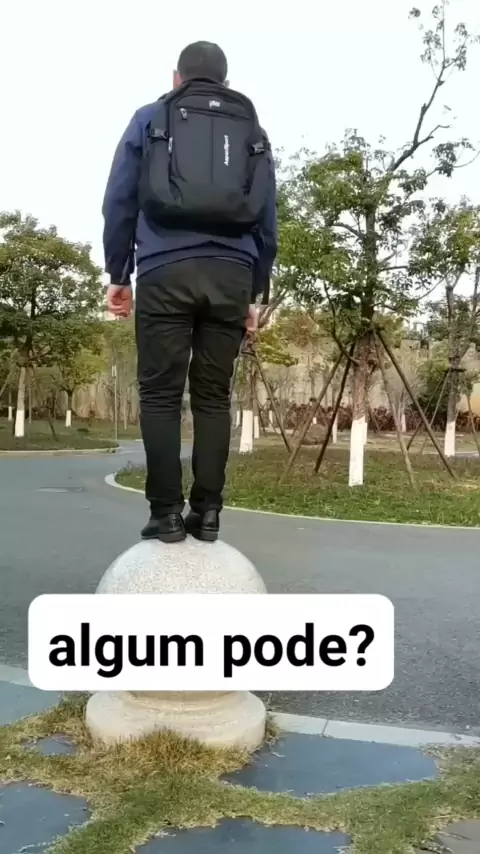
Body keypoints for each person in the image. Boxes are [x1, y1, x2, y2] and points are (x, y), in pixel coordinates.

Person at [103, 41, 277, 544]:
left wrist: (120, 274)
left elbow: (119, 200)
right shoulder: (252, 130)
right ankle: (209, 513)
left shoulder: (150, 117)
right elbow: (267, 216)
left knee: (160, 394)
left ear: (176, 77)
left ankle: (166, 514)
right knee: (213, 397)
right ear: (225, 81)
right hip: (231, 274)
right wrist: (255, 293)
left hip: (165, 269)